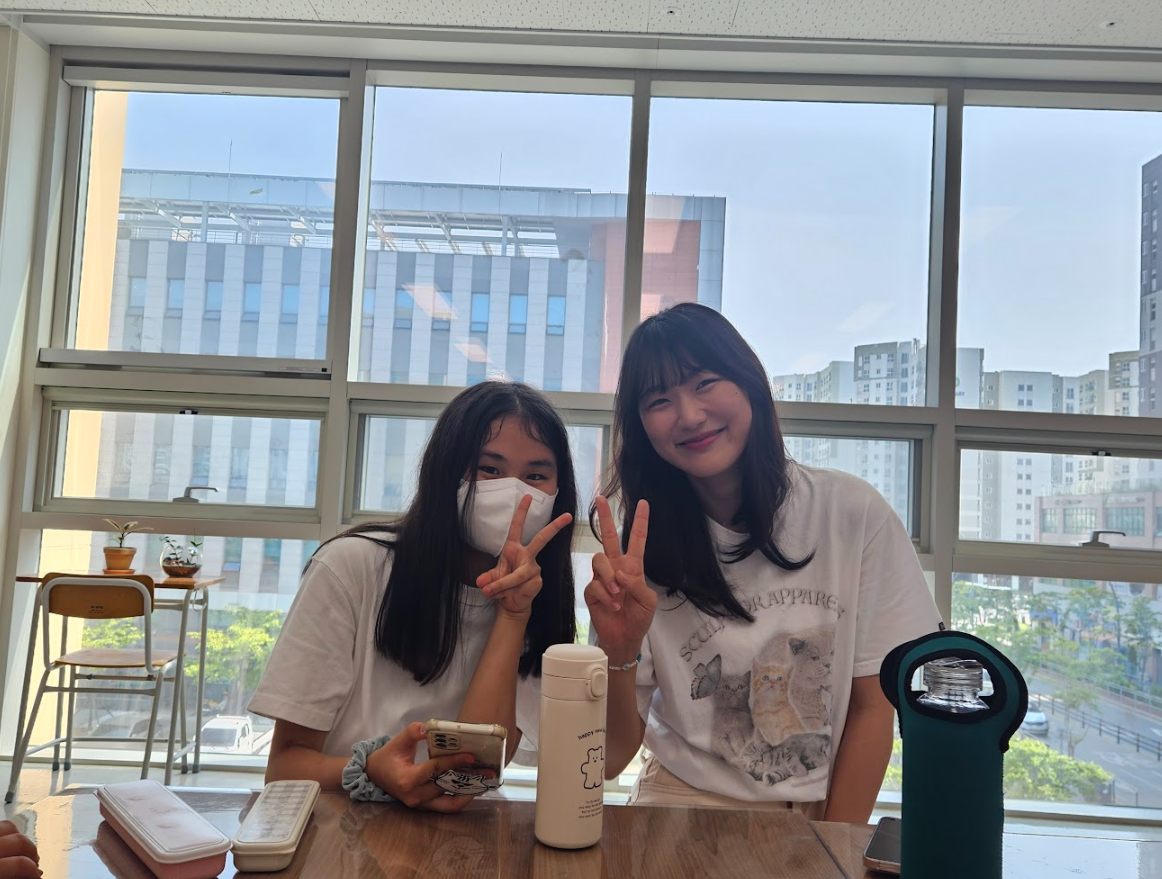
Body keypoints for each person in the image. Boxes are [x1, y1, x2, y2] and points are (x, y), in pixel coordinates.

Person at [586, 303, 942, 821]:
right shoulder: (644, 552)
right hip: (678, 802)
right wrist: (618, 651)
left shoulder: (851, 512)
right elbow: (610, 759)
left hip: (817, 809)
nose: (689, 415)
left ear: (750, 383)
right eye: (659, 400)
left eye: (705, 383)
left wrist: (832, 849)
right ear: (642, 427)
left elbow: (873, 708)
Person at [250, 381, 577, 812]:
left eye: (535, 476)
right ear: (445, 471)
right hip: (343, 826)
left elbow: (469, 779)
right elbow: (284, 766)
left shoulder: (539, 601)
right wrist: (370, 770)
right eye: (489, 469)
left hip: (461, 835)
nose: (514, 493)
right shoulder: (352, 567)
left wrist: (513, 617)